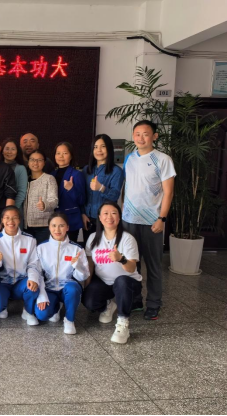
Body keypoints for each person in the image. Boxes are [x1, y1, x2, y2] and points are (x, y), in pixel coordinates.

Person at [122, 120, 176, 321]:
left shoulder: (163, 159)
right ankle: (136, 300)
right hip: (129, 220)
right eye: (137, 134)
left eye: (145, 134)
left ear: (154, 136)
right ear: (133, 136)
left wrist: (162, 218)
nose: (141, 138)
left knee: (153, 266)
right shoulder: (129, 158)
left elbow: (168, 192)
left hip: (152, 221)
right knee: (132, 264)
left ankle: (153, 304)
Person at [82, 202, 143, 344]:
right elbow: (90, 264)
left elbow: (132, 268)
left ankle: (123, 322)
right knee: (89, 301)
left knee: (121, 280)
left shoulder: (127, 238)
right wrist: (87, 288)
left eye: (114, 213)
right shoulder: (93, 238)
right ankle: (108, 305)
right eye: (105, 213)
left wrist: (121, 259)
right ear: (99, 218)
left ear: (119, 217)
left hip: (127, 283)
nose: (109, 217)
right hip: (104, 282)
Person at [35, 213, 90, 335]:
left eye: (61, 225)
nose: (57, 229)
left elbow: (84, 276)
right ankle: (56, 307)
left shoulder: (76, 249)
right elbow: (37, 273)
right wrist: (42, 295)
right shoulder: (41, 248)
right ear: (49, 227)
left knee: (72, 289)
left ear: (67, 227)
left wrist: (78, 266)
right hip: (49, 288)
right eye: (54, 225)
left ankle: (69, 320)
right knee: (42, 314)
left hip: (68, 287)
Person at [0, 206, 41, 326]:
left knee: (33, 286)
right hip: (2, 282)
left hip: (21, 281)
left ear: (19, 220)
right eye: (7, 218)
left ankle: (28, 311)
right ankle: (3, 305)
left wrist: (32, 278)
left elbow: (33, 263)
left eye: (14, 218)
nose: (10, 221)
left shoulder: (29, 240)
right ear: (2, 220)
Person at [82, 134, 124, 246]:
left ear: (109, 149)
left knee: (104, 251)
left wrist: (101, 188)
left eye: (103, 146)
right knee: (89, 250)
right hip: (87, 219)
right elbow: (82, 195)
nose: (99, 150)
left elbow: (115, 195)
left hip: (106, 220)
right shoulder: (87, 170)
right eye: (95, 147)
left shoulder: (116, 171)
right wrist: (82, 213)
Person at [52, 142, 86, 243]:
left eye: (65, 153)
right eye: (58, 153)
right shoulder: (51, 175)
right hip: (54, 220)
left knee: (69, 249)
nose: (61, 156)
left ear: (71, 156)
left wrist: (71, 189)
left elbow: (82, 200)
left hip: (70, 220)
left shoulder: (77, 174)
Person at [23, 151, 59, 243]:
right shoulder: (25, 179)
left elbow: (54, 200)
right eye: (32, 160)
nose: (35, 163)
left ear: (44, 163)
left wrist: (45, 205)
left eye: (39, 160)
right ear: (28, 162)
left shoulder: (49, 179)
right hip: (26, 226)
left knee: (43, 251)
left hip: (43, 226)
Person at [1, 138, 28, 212]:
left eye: (13, 149)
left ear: (17, 152)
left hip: (14, 210)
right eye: (7, 149)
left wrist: (11, 209)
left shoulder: (20, 168)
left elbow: (21, 192)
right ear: (2, 151)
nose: (9, 152)